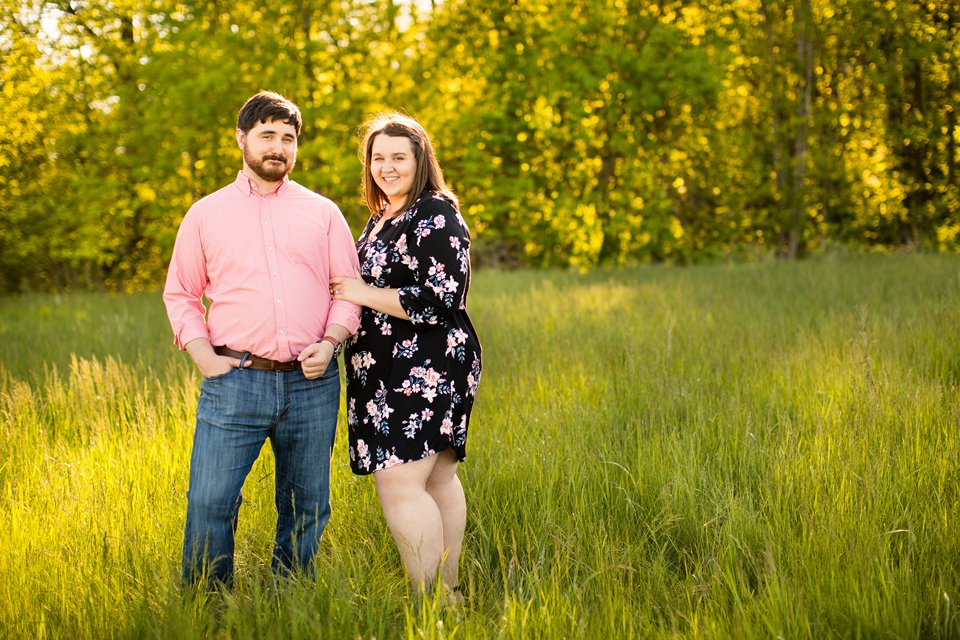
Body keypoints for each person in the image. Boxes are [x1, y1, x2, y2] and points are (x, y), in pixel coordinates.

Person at [163, 90, 361, 587]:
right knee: (210, 500)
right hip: (235, 380)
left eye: (288, 138)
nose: (278, 147)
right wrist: (204, 356)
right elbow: (181, 293)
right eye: (267, 135)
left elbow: (348, 291)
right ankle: (207, 609)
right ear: (242, 139)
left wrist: (332, 340)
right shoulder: (205, 214)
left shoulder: (323, 213)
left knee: (307, 504)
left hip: (312, 382)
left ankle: (289, 603)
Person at [329, 113, 482, 595]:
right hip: (387, 367)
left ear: (421, 161)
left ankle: (430, 599)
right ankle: (449, 597)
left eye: (399, 157)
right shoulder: (382, 217)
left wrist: (358, 292)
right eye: (378, 157)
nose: (387, 167)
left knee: (398, 482)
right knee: (435, 478)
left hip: (426, 363)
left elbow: (441, 298)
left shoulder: (435, 211)